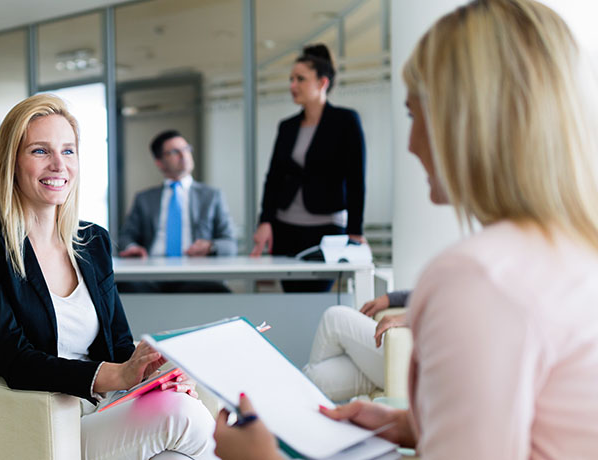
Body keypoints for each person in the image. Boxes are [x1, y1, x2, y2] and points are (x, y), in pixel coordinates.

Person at [214, 0, 598, 458]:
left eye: (414, 116)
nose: (412, 145)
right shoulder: (574, 250)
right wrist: (413, 426)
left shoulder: (478, 277)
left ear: (465, 123)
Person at [0, 94, 214, 460]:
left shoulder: (92, 241)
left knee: (178, 431)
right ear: (11, 161)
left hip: (101, 409)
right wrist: (120, 376)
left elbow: (120, 344)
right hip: (40, 421)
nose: (59, 165)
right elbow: (13, 359)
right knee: (183, 417)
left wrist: (158, 373)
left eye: (69, 151)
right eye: (40, 151)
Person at [250, 44, 366, 292]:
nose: (293, 85)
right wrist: (265, 221)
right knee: (292, 297)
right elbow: (274, 177)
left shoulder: (345, 121)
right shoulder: (287, 127)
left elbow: (356, 178)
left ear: (322, 82)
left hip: (326, 230)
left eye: (300, 79)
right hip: (285, 228)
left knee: (317, 298)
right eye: (291, 79)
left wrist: (355, 232)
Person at [117, 130, 237, 293]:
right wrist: (132, 247)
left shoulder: (211, 196)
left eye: (186, 149)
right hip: (151, 273)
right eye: (175, 152)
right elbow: (125, 237)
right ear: (159, 162)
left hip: (196, 273)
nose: (184, 155)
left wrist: (211, 247)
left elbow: (230, 244)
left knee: (214, 290)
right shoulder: (144, 199)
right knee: (123, 288)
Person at [302, 291, 410, 401]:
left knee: (334, 318)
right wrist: (392, 299)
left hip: (412, 362)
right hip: (406, 363)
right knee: (313, 381)